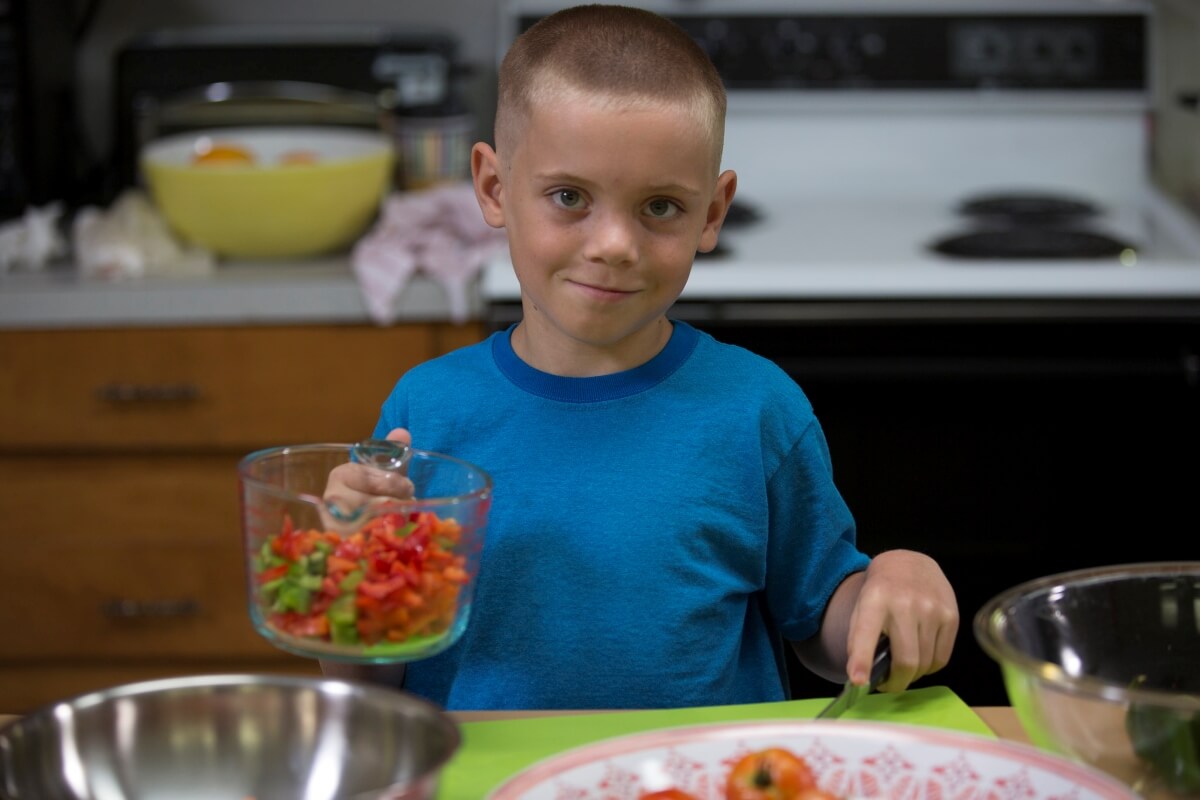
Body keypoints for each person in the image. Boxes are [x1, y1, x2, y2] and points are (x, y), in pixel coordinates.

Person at [321, 3, 958, 711]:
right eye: (569, 197)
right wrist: (351, 570)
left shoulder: (757, 410)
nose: (615, 244)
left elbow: (823, 634)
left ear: (712, 214)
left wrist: (894, 580)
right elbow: (366, 679)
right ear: (495, 188)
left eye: (659, 207)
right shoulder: (426, 410)